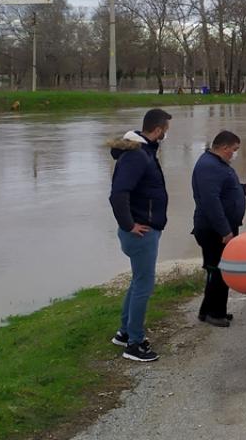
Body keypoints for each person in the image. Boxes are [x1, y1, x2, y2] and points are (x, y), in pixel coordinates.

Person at [107, 108, 171, 363]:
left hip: (145, 229)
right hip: (141, 232)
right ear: (156, 130)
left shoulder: (144, 152)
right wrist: (129, 224)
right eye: (165, 130)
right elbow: (118, 194)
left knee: (137, 282)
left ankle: (124, 332)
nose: (166, 134)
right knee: (144, 285)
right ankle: (134, 343)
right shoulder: (137, 157)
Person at [191, 130, 246, 328]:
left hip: (221, 226)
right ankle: (215, 313)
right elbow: (211, 202)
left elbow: (226, 188)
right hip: (214, 230)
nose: (234, 154)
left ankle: (207, 310)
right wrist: (225, 231)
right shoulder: (209, 166)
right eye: (234, 150)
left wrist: (244, 189)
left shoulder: (217, 164)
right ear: (224, 148)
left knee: (217, 270)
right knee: (218, 271)